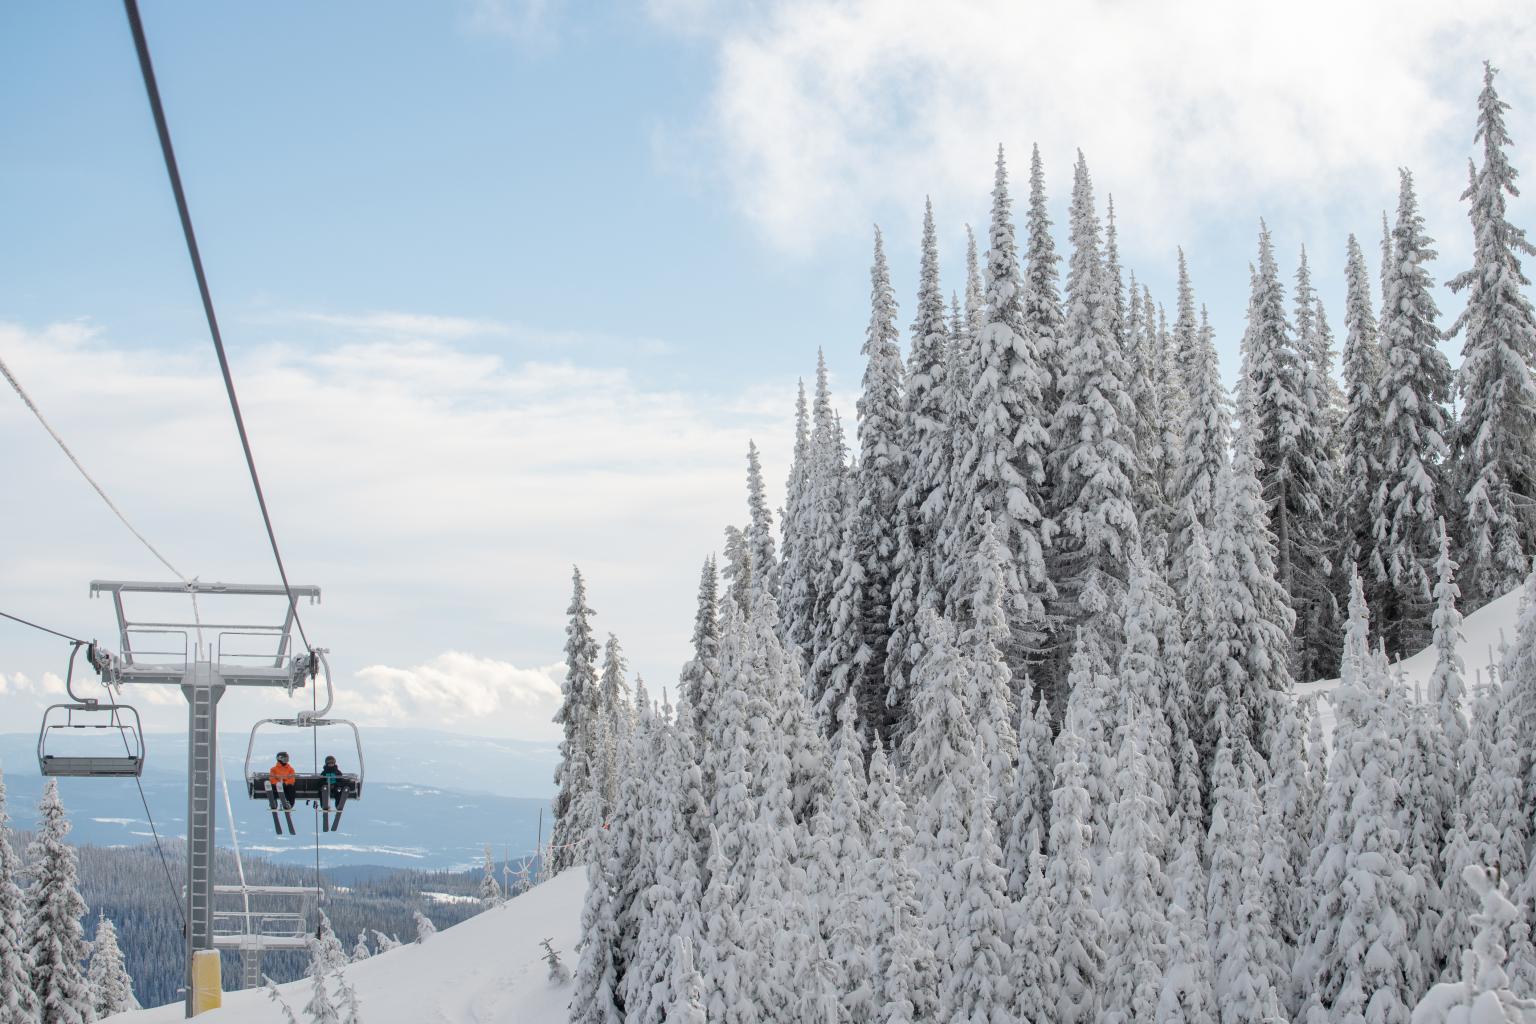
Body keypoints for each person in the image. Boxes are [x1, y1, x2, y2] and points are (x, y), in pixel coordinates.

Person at [268, 751, 297, 835]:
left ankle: (289, 804)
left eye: (287, 759)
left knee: (291, 787)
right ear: (279, 759)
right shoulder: (273, 769)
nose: (286, 760)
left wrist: (286, 782)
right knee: (273, 787)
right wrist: (278, 783)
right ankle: (273, 802)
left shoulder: (290, 769)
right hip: (277, 786)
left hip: (286, 786)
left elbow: (292, 779)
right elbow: (272, 778)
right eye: (284, 759)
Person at [319, 754, 348, 832]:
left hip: (335, 787)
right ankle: (324, 804)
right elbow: (320, 781)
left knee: (338, 791)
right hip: (327, 788)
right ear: (326, 763)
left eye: (332, 763)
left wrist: (338, 785)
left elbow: (341, 780)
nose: (331, 764)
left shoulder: (337, 772)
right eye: (329, 763)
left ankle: (338, 804)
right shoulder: (324, 772)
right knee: (323, 791)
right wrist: (323, 785)